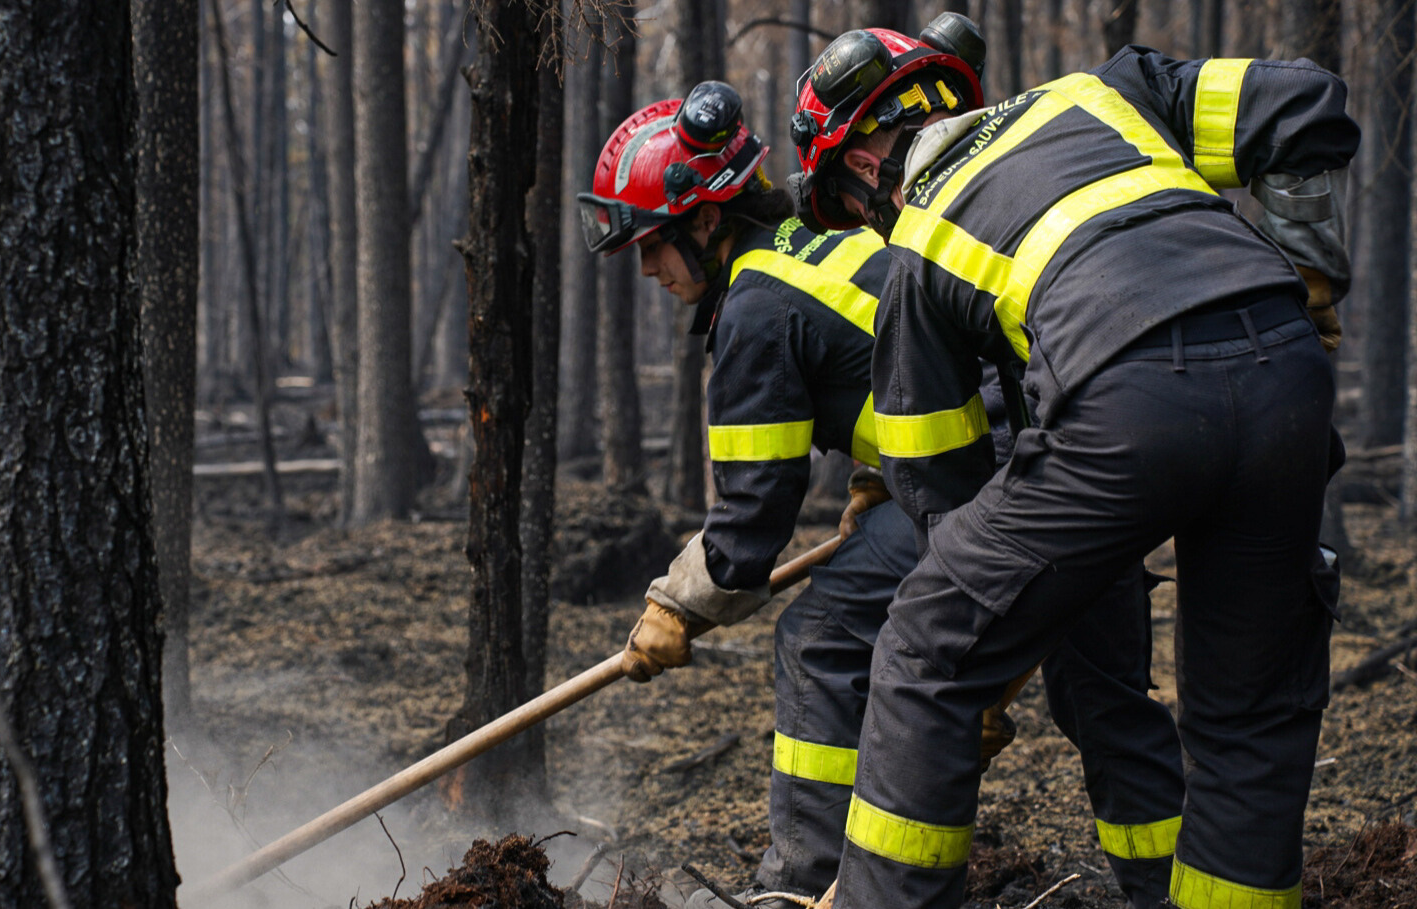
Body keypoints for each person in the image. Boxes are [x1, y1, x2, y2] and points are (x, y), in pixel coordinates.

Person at [788, 20, 1355, 909]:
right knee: (1249, 723)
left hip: (1128, 405)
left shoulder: (921, 238)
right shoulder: (1108, 93)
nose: (865, 224)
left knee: (925, 650)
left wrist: (985, 652)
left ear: (863, 165)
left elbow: (945, 494)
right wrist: (1311, 277)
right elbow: (1302, 101)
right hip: (1288, 379)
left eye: (849, 204)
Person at [580, 75, 1174, 909]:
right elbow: (896, 363)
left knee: (820, 642)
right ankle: (1179, 890)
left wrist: (677, 605)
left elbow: (750, 527)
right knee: (1105, 702)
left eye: (650, 244)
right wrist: (879, 479)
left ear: (705, 220)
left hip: (981, 479)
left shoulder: (753, 309)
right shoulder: (827, 240)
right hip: (1076, 455)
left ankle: (805, 879)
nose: (646, 268)